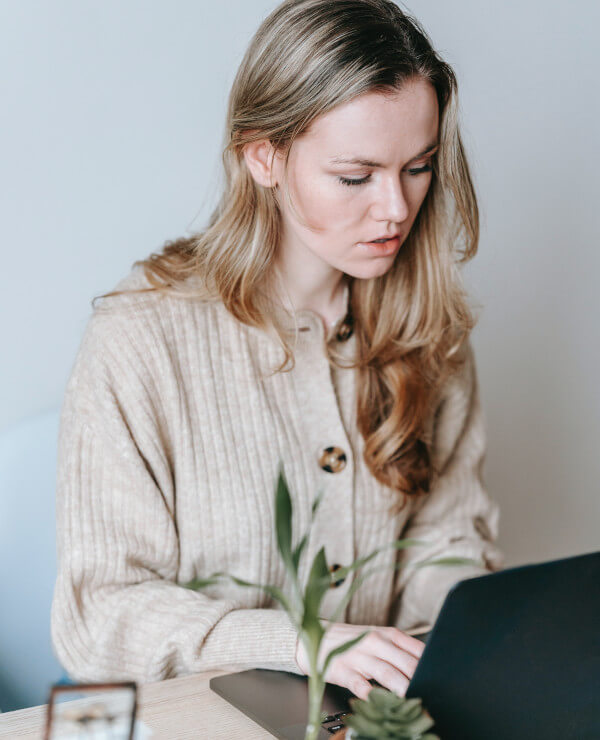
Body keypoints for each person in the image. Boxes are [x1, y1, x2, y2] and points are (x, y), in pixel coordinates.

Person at [51, 0, 504, 702]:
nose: (395, 209)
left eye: (418, 166)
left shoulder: (429, 327)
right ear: (263, 156)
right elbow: (101, 617)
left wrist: (442, 645)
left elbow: (448, 544)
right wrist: (301, 644)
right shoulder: (141, 336)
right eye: (356, 176)